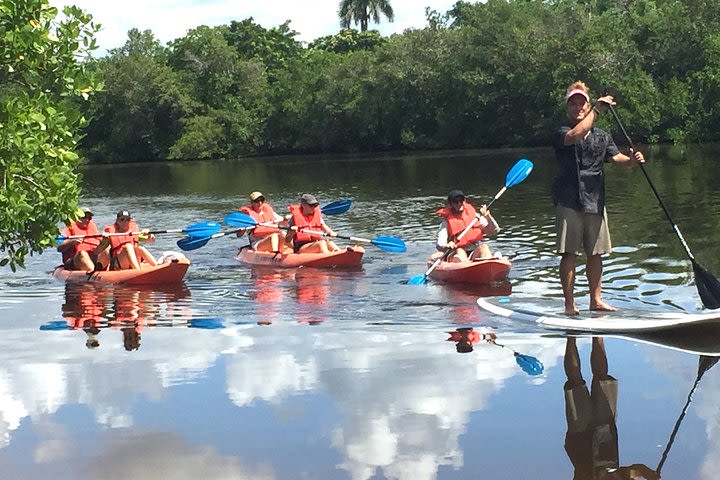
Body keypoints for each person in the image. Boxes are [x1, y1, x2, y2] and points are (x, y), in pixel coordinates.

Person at [553, 81, 645, 316]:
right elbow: (576, 134)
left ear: (586, 104)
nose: (577, 107)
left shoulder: (602, 136)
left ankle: (596, 300)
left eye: (581, 103)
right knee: (569, 253)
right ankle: (569, 305)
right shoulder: (562, 132)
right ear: (567, 108)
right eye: (572, 104)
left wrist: (633, 161)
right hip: (569, 200)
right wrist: (597, 110)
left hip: (596, 200)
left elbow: (617, 160)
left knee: (596, 253)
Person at [563, 337, 658, 480]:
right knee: (602, 378)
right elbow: (638, 470)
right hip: (605, 429)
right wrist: (651, 475)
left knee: (575, 382)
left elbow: (580, 475)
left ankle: (571, 337)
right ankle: (598, 335)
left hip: (580, 434)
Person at [433, 190, 500, 262]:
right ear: (450, 204)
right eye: (455, 201)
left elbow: (495, 231)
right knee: (460, 251)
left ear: (464, 201)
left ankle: (488, 263)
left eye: (461, 200)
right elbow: (439, 244)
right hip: (456, 252)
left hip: (474, 251)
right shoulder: (446, 222)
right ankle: (462, 264)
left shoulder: (476, 217)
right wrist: (447, 246)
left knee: (484, 247)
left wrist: (488, 217)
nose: (459, 203)